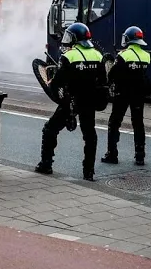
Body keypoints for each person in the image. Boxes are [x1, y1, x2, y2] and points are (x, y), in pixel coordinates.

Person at [36, 22, 106, 181]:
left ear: (75, 38)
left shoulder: (69, 56)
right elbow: (102, 81)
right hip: (89, 102)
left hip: (71, 102)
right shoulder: (98, 55)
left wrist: (51, 83)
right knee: (90, 135)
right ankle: (89, 172)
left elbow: (57, 83)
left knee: (50, 129)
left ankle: (46, 164)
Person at [103, 26, 151, 166]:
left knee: (114, 123)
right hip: (139, 94)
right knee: (138, 123)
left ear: (128, 39)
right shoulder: (146, 55)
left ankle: (112, 154)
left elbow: (112, 74)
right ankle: (140, 156)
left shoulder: (123, 55)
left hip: (122, 94)